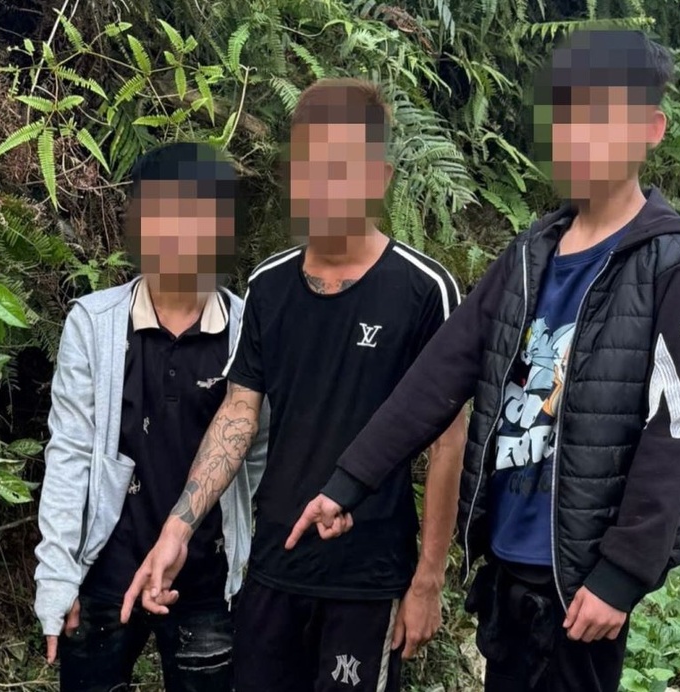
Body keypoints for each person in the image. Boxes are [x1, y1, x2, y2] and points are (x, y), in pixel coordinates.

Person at [289, 29, 680, 691]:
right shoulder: (530, 254)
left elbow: (675, 431)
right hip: (507, 565)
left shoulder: (675, 264)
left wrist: (624, 572)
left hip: (582, 585)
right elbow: (440, 374)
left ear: (650, 129)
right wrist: (350, 482)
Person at [120, 78, 468, 692]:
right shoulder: (269, 285)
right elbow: (239, 412)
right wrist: (178, 528)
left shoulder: (423, 289)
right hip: (273, 568)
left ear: (379, 178)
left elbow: (448, 441)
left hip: (366, 577)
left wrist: (428, 580)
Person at [33, 141, 269, 692]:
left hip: (207, 580)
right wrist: (58, 577)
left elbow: (257, 450)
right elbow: (69, 453)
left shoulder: (247, 330)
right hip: (105, 571)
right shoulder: (94, 325)